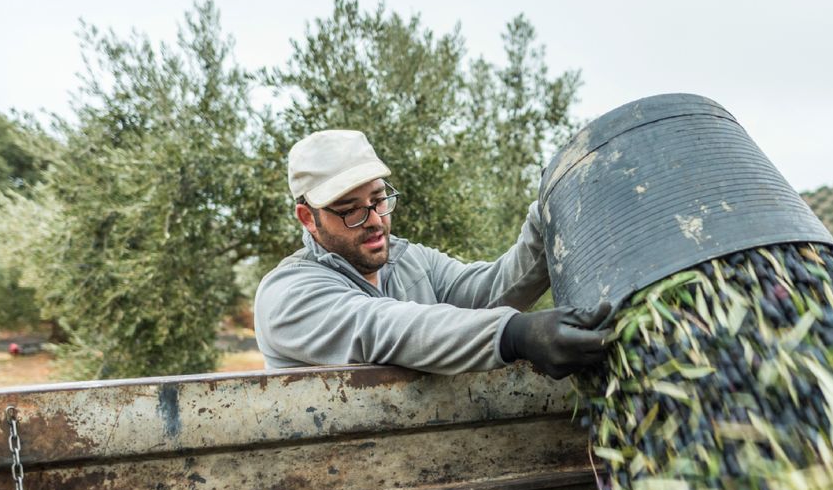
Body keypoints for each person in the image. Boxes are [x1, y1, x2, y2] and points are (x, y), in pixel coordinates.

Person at [254, 129, 610, 378]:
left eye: (378, 199)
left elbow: (491, 290)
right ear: (309, 219)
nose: (376, 221)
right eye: (350, 210)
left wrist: (546, 213)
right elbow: (386, 327)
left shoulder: (410, 261)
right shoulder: (288, 296)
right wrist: (513, 333)